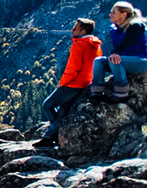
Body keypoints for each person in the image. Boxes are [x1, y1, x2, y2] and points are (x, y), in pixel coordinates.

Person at [33, 18, 102, 148]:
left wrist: (62, 83)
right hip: (86, 83)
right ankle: (51, 136)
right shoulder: (95, 45)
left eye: (75, 28)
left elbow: (73, 68)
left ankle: (53, 133)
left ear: (82, 30)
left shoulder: (79, 44)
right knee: (63, 111)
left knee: (47, 105)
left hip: (73, 84)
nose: (72, 30)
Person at [90, 1, 147, 103]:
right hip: (122, 60)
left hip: (140, 60)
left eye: (113, 12)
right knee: (99, 61)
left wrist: (115, 53)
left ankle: (121, 93)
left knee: (114, 60)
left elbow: (126, 42)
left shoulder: (135, 26)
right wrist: (115, 54)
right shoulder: (114, 28)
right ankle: (97, 92)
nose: (110, 15)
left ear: (124, 14)